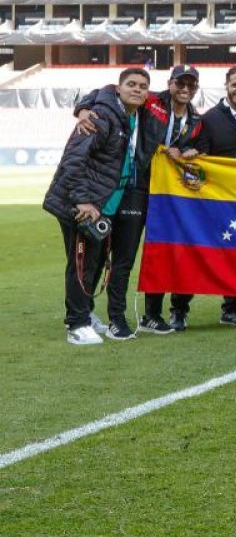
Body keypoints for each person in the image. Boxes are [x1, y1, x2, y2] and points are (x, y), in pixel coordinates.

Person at [71, 63, 206, 337]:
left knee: (126, 256)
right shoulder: (152, 100)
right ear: (170, 83)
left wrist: (191, 150)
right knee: (98, 252)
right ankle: (85, 315)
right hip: (127, 185)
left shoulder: (196, 121)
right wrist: (83, 108)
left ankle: (119, 318)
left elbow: (202, 146)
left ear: (196, 89)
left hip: (158, 192)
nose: (185, 88)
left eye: (191, 85)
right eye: (180, 83)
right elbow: (108, 90)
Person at [45, 67, 151, 344]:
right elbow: (74, 158)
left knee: (97, 259)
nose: (137, 89)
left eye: (142, 85)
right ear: (119, 88)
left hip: (105, 203)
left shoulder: (127, 116)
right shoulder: (101, 116)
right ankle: (76, 325)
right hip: (81, 202)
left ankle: (86, 315)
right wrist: (82, 200)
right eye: (131, 84)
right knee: (82, 263)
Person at [193, 65, 236, 325]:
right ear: (227, 86)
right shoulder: (210, 118)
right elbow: (202, 156)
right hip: (218, 197)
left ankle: (231, 308)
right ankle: (179, 309)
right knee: (201, 250)